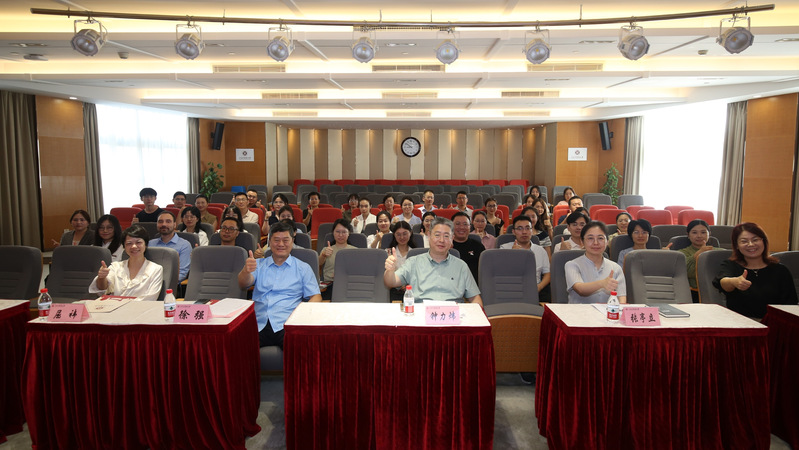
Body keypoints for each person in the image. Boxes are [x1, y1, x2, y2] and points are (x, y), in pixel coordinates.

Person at [238, 220, 321, 349]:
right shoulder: (258, 265)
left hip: (287, 323)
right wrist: (246, 271)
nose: (281, 244)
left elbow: (316, 297)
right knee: (239, 349)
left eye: (285, 240)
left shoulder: (303, 268)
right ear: (269, 242)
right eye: (276, 240)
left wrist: (300, 316)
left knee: (299, 351)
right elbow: (243, 284)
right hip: (259, 322)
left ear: (292, 241)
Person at [384, 217, 482, 306]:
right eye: (437, 235)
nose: (441, 240)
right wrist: (390, 270)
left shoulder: (461, 266)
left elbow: (475, 298)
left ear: (452, 239)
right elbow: (391, 282)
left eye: (446, 236)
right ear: (429, 236)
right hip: (421, 314)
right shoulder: (413, 262)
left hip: (452, 315)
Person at [713, 222, 797, 319]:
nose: (751, 244)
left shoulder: (780, 270)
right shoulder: (731, 265)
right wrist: (735, 282)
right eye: (744, 241)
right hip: (741, 322)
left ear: (763, 241)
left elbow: (791, 305)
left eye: (755, 240)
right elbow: (723, 282)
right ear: (736, 245)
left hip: (774, 323)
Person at [89, 224, 163, 301]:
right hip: (114, 307)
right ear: (124, 247)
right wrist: (101, 278)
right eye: (129, 243)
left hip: (141, 308)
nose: (134, 246)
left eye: (138, 242)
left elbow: (150, 298)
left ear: (146, 244)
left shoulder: (156, 269)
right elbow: (102, 291)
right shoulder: (115, 266)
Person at [565, 221, 626, 304]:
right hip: (580, 311)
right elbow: (580, 289)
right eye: (590, 238)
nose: (596, 243)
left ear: (607, 241)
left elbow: (622, 298)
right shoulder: (572, 265)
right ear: (582, 242)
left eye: (600, 238)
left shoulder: (616, 268)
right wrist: (602, 283)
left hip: (607, 311)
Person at [501, 215, 551, 301]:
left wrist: (539, 287)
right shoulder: (504, 248)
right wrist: (512, 255)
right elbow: (501, 273)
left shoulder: (540, 250)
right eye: (520, 229)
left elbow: (547, 274)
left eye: (528, 228)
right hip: (511, 290)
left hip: (535, 289)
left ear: (532, 230)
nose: (524, 232)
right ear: (513, 232)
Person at [678, 219, 719, 302]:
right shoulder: (681, 253)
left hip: (717, 292)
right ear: (688, 235)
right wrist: (697, 254)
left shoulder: (719, 252)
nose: (699, 236)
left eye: (703, 232)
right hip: (691, 293)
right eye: (694, 232)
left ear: (709, 234)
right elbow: (686, 273)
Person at [149, 211, 192, 282]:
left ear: (174, 225)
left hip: (171, 285)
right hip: (149, 283)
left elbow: (182, 273)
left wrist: (160, 282)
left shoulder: (184, 245)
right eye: (160, 221)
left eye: (168, 221)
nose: (164, 224)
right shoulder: (150, 244)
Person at [319, 218, 356, 300]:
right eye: (338, 232)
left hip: (349, 284)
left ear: (349, 233)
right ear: (333, 233)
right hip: (330, 285)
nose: (340, 235)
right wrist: (323, 255)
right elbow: (319, 263)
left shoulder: (355, 251)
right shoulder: (326, 249)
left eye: (344, 232)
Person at [386, 220, 417, 301]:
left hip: (413, 290)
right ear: (394, 235)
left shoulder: (416, 254)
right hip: (393, 290)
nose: (402, 237)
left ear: (410, 233)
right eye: (398, 234)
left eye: (405, 234)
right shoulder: (389, 253)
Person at [451, 212, 485, 282]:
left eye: (465, 224)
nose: (461, 227)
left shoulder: (478, 246)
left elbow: (485, 270)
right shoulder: (445, 246)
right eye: (457, 224)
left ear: (470, 227)